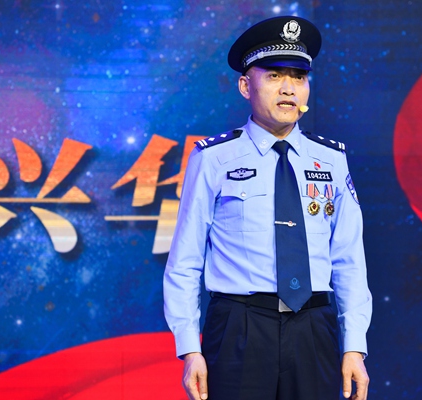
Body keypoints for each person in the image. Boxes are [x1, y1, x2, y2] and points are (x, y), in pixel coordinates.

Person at [163, 15, 372, 400]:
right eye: (274, 75)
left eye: (299, 76)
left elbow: (349, 260)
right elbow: (185, 261)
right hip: (239, 328)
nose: (289, 88)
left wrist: (354, 346)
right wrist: (190, 349)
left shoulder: (331, 160)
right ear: (246, 85)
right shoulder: (214, 158)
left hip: (314, 328)